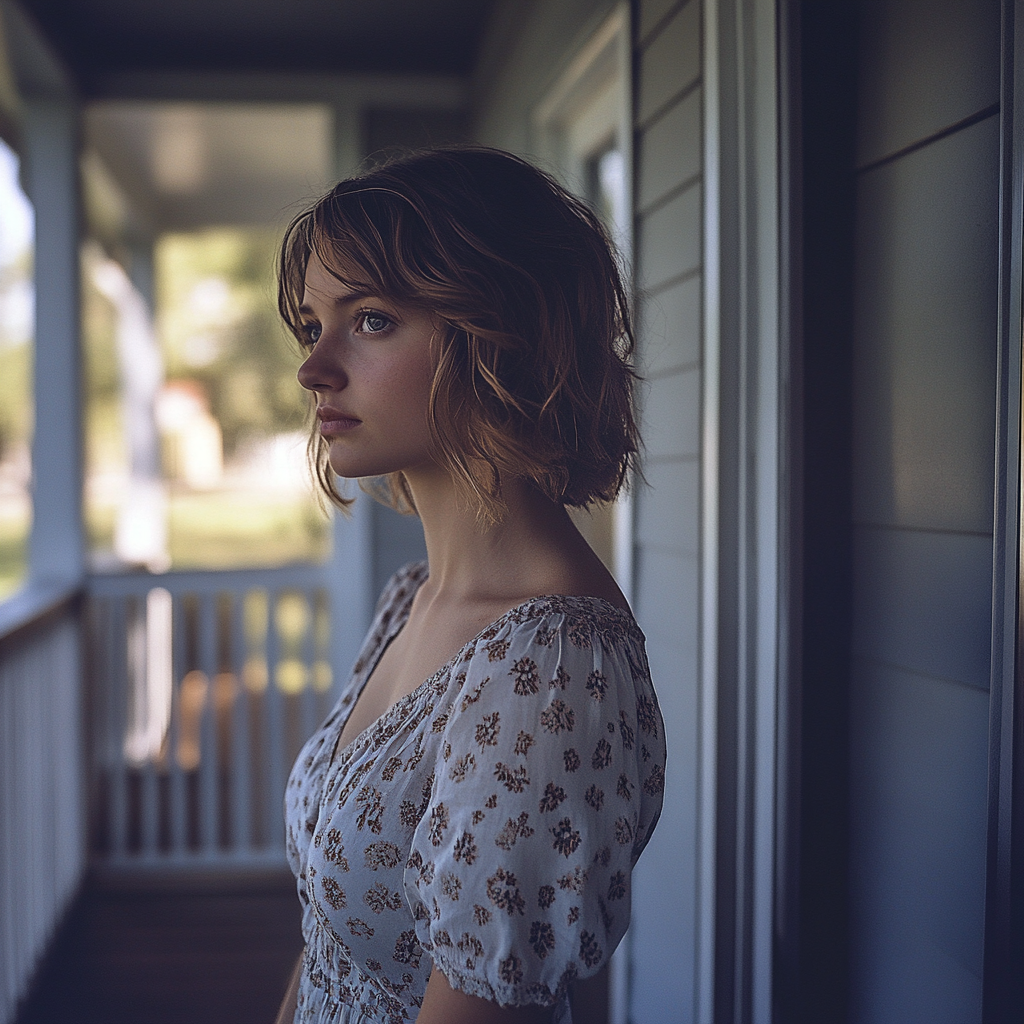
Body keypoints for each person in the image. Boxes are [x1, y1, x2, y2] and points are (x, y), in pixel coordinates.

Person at [275, 147, 666, 1024]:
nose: (314, 369)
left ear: (501, 332)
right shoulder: (412, 598)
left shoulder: (556, 666)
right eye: (311, 326)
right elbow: (330, 935)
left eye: (370, 319)